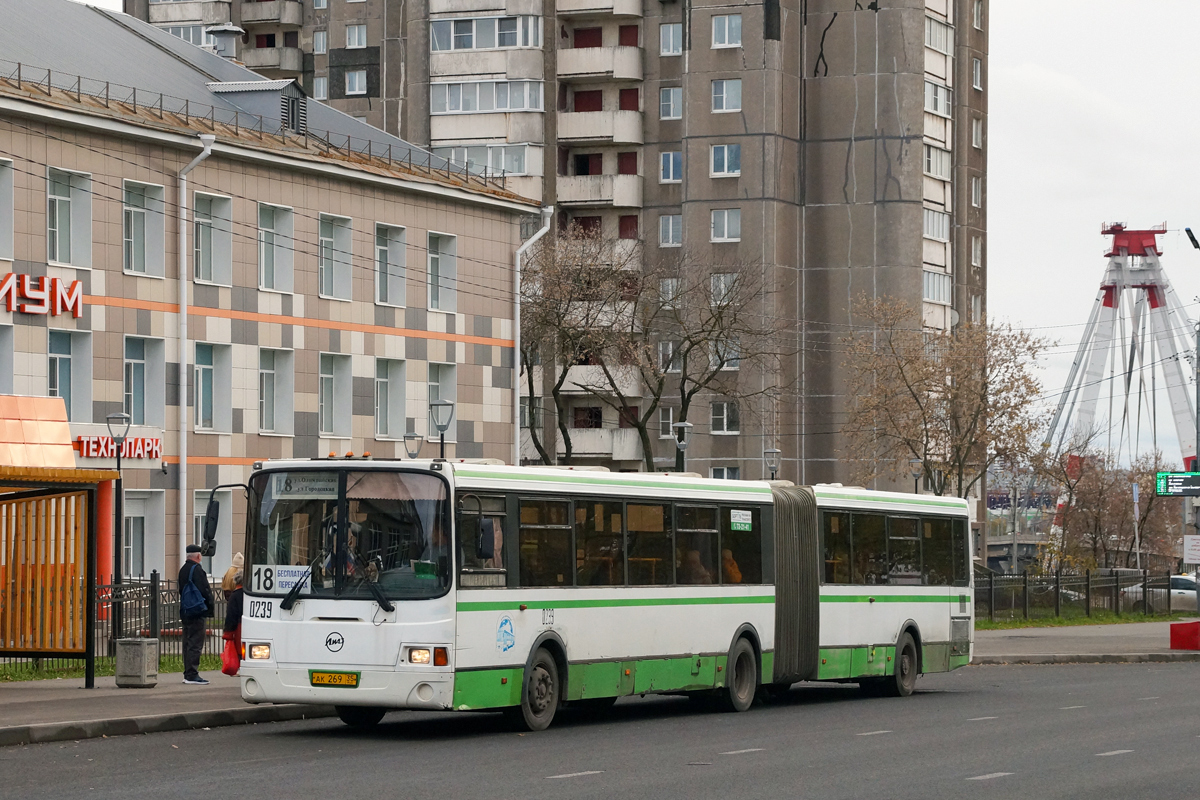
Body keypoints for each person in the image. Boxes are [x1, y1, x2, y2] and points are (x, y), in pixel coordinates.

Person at [179, 545, 214, 685]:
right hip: (197, 611)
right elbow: (205, 590)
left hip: (186, 610)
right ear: (198, 556)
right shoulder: (197, 570)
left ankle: (188, 672)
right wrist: (210, 608)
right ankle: (192, 674)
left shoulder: (183, 570)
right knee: (196, 642)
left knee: (187, 642)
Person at [223, 570, 244, 677]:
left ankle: (240, 666)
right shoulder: (248, 594)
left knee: (239, 648)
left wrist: (228, 631)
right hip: (246, 623)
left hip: (238, 626)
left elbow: (231, 614)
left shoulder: (235, 595)